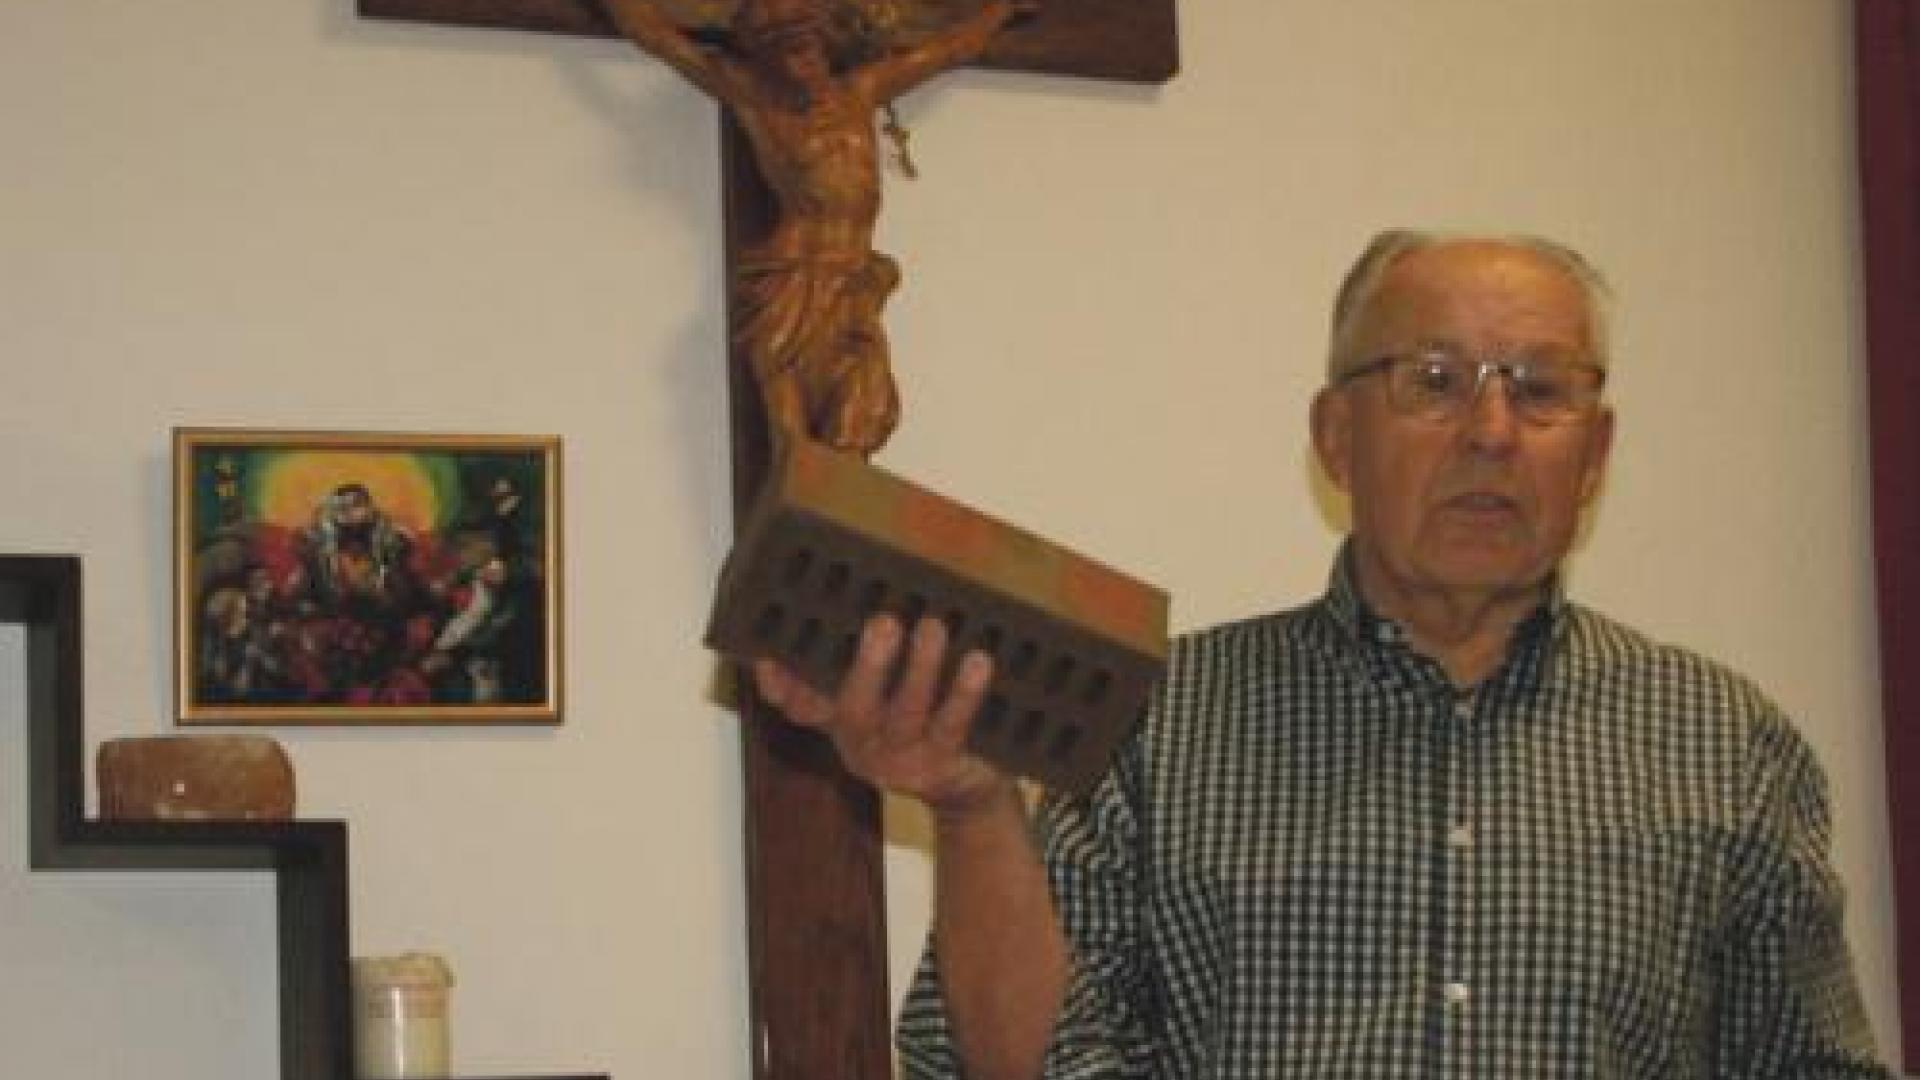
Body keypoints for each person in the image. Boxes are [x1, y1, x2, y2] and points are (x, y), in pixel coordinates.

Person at [751, 230, 1893, 1078]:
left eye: (1542, 390)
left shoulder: (1725, 745)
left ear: (1594, 456)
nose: (1492, 432)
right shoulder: (1159, 721)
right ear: (1335, 437)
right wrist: (971, 811)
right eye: (1434, 382)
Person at [595, 0, 1025, 457]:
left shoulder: (861, 91)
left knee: (864, 408)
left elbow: (949, 49)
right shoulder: (757, 101)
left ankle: (831, 490)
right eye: (781, 58)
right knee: (790, 431)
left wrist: (1000, 11)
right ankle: (793, 475)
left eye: (805, 52)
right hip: (794, 276)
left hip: (856, 281)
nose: (798, 68)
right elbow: (660, 40)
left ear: (824, 47)